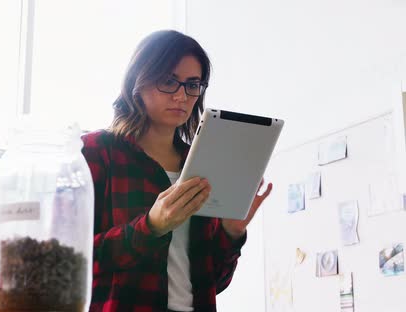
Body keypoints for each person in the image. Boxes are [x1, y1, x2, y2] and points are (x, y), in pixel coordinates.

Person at [80, 30, 273, 312]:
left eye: (193, 84)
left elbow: (214, 281)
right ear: (138, 80)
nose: (182, 95)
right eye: (169, 81)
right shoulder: (96, 152)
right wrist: (151, 226)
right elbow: (73, 264)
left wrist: (231, 233)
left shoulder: (201, 163)